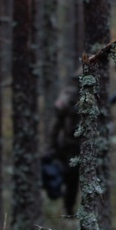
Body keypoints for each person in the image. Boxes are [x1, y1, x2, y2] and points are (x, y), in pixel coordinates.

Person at [42, 79, 81, 217]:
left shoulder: (97, 94)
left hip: (86, 147)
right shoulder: (70, 95)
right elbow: (56, 125)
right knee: (69, 180)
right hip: (69, 147)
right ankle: (68, 210)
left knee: (76, 181)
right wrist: (50, 147)